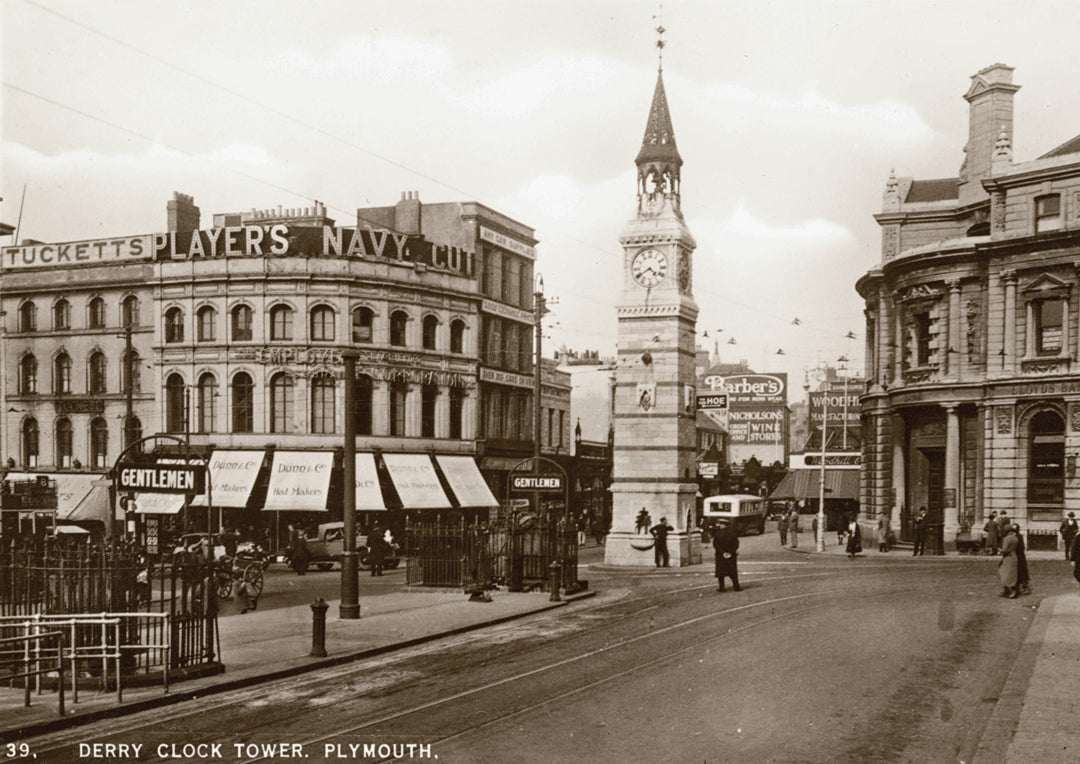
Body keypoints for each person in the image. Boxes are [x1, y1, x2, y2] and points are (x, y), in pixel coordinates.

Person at [711, 519, 741, 592]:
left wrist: (723, 553)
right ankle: (736, 587)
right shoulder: (732, 533)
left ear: (722, 525)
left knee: (721, 573)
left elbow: (716, 545)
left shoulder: (717, 534)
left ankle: (722, 588)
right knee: (733, 572)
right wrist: (730, 552)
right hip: (731, 556)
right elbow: (736, 544)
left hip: (720, 556)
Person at [998, 524, 1020, 598]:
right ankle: (1011, 591)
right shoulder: (1015, 538)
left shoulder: (1007, 539)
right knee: (1012, 575)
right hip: (1014, 557)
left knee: (1004, 573)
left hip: (1008, 558)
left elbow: (1005, 549)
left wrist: (999, 550)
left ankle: (1009, 591)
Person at [1014, 524, 1030, 595]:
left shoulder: (1018, 536)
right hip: (1019, 556)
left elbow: (1021, 548)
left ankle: (1024, 587)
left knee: (1021, 572)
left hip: (1019, 557)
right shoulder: (1017, 536)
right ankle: (1021, 586)